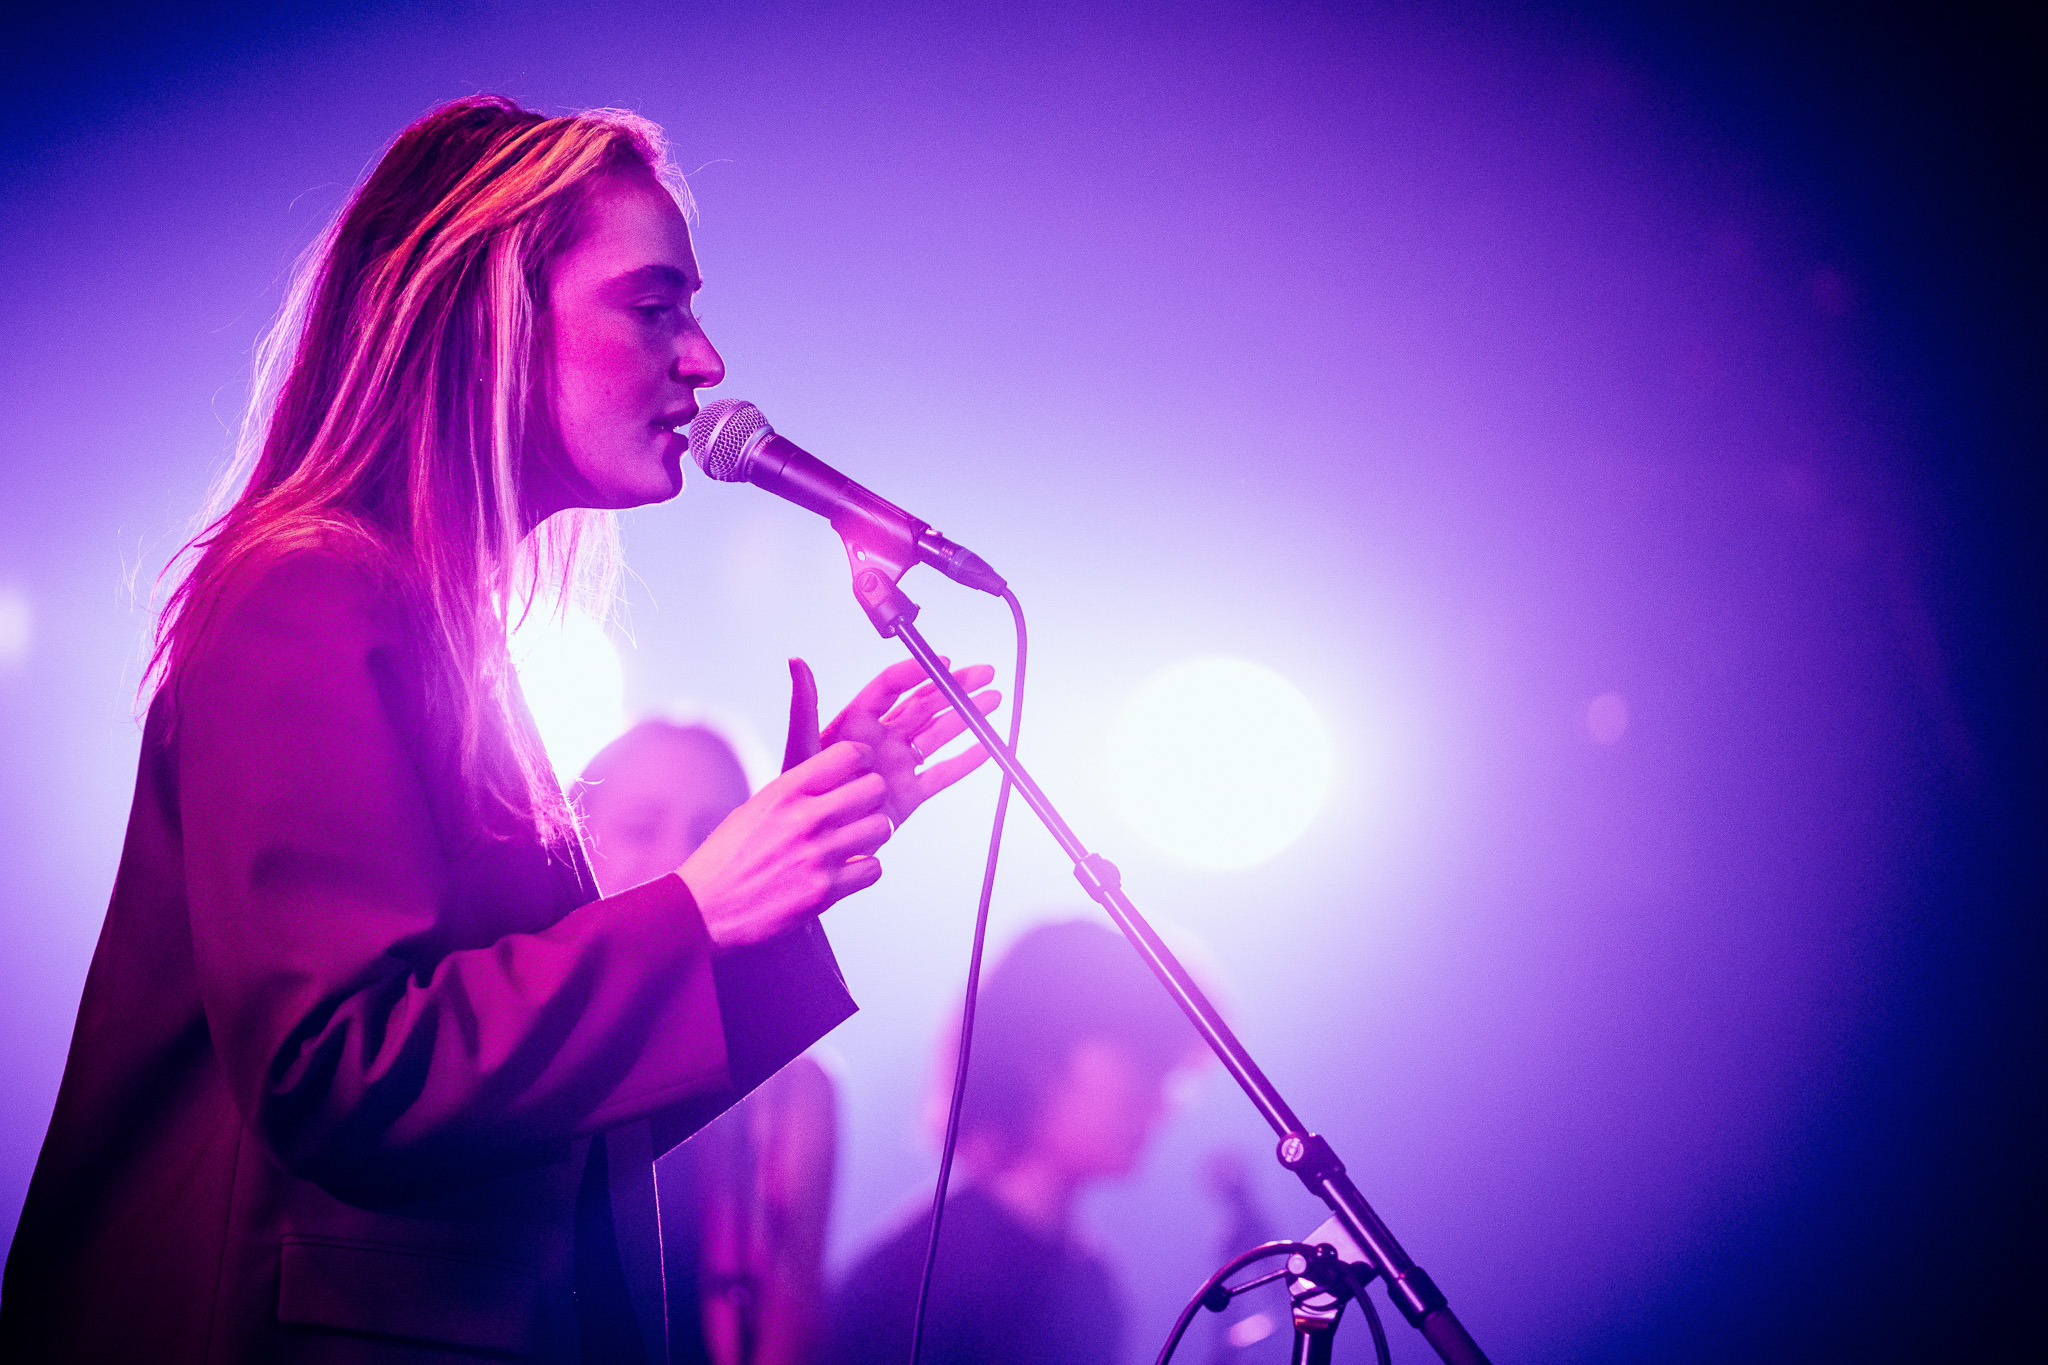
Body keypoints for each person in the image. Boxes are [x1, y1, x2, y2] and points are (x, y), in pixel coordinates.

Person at [0, 96, 997, 1364]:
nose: (705, 361)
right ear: (489, 317)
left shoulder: (446, 633)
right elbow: (336, 1071)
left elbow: (537, 1113)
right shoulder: (310, 591)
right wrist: (697, 907)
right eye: (654, 305)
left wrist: (777, 885)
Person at [576, 719, 838, 1365]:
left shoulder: (793, 1094)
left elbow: (787, 1331)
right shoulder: (527, 1047)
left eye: (711, 835)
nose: (679, 861)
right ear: (575, 839)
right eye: (640, 825)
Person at [826, 920, 1204, 1365]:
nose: (1161, 1102)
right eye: (1142, 1063)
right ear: (1043, 1058)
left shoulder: (1093, 1287)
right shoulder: (910, 1282)